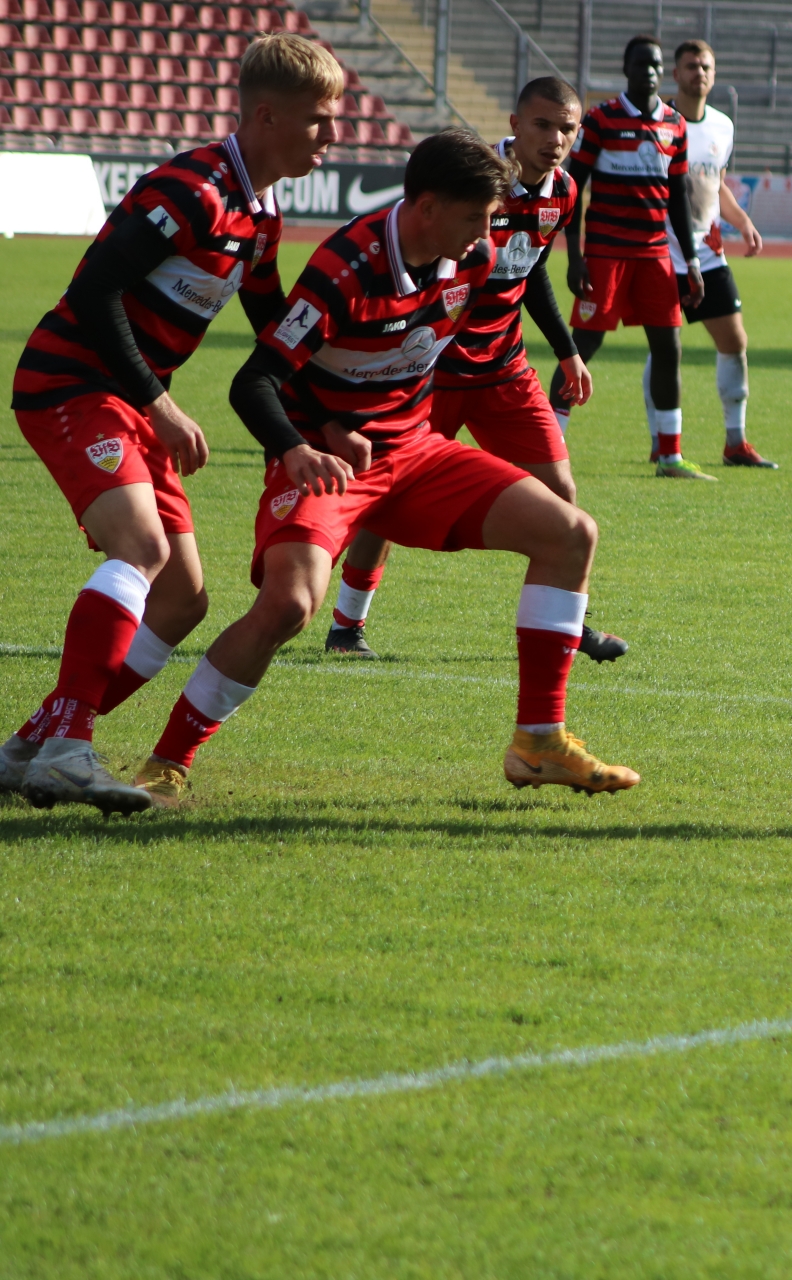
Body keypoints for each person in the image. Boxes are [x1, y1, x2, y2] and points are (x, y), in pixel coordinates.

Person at [134, 131, 638, 805]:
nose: (486, 234)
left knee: (571, 533)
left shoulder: (474, 258)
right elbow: (255, 380)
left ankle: (538, 743)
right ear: (427, 208)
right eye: (475, 217)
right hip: (325, 464)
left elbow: (433, 341)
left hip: (415, 452)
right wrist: (305, 443)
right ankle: (167, 761)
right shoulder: (347, 266)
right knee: (288, 605)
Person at [0, 34, 342, 813]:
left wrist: (321, 420)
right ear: (266, 116)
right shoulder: (194, 190)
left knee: (184, 599)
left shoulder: (261, 212)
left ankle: (25, 749)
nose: (332, 134)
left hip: (128, 398)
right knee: (143, 549)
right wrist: (160, 404)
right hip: (71, 383)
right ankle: (68, 750)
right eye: (318, 119)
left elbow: (273, 326)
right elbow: (93, 292)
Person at [321, 77, 631, 664]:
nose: (555, 139)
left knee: (561, 492)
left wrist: (566, 349)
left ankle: (568, 625)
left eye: (567, 129)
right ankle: (347, 625)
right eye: (542, 125)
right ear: (514, 124)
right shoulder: (477, 183)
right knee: (387, 497)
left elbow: (530, 269)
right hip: (433, 371)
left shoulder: (564, 191)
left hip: (505, 369)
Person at [550, 34, 712, 480]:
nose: (650, 72)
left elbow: (678, 200)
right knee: (583, 346)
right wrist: (575, 257)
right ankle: (549, 445)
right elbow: (573, 189)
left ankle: (670, 455)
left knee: (669, 347)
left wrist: (692, 263)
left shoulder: (675, 125)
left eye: (656, 65)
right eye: (642, 64)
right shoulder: (601, 119)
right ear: (626, 69)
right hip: (606, 253)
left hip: (655, 255)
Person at [665, 38, 775, 468]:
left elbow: (716, 183)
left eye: (706, 66)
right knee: (665, 344)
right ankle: (662, 441)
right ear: (675, 73)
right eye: (692, 66)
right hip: (662, 251)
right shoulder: (659, 122)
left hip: (708, 252)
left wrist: (743, 222)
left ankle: (736, 442)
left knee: (734, 340)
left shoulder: (722, 126)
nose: (700, 73)